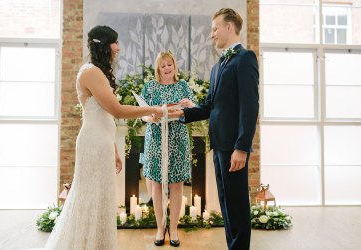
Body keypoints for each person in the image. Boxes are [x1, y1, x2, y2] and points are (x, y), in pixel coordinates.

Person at [44, 25, 164, 250]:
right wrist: (153, 110)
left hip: (102, 142)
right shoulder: (90, 72)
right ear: (104, 45)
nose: (118, 48)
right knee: (90, 198)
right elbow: (116, 110)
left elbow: (106, 116)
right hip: (93, 143)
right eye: (115, 42)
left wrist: (115, 150)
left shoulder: (96, 72)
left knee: (101, 199)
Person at [170, 8, 259, 250]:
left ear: (229, 27)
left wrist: (242, 147)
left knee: (238, 206)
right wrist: (182, 113)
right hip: (218, 145)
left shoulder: (245, 58)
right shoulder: (218, 66)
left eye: (215, 28)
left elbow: (250, 107)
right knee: (227, 204)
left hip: (234, 147)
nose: (212, 34)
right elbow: (210, 106)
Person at [141, 51, 196, 247]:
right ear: (158, 69)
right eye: (162, 65)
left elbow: (193, 108)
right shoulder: (150, 87)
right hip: (156, 138)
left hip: (178, 138)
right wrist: (150, 117)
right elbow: (142, 114)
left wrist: (189, 105)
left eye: (169, 64)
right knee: (156, 185)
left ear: (174, 65)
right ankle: (160, 227)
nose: (166, 68)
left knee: (176, 185)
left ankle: (173, 229)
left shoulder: (183, 86)